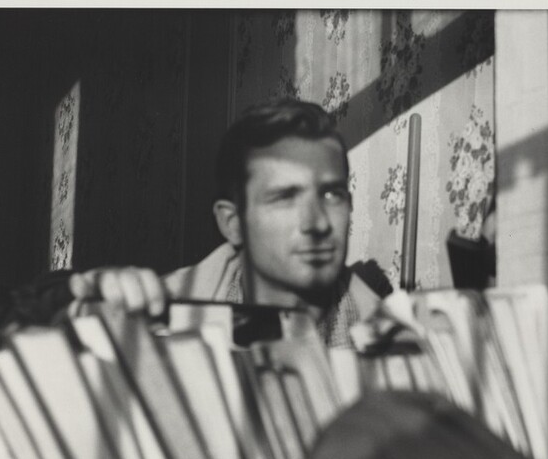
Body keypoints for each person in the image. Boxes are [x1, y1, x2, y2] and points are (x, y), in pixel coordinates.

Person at [68, 99, 390, 347]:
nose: (316, 223)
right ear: (233, 223)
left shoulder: (403, 342)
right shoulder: (156, 320)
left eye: (332, 195)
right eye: (284, 197)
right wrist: (86, 308)